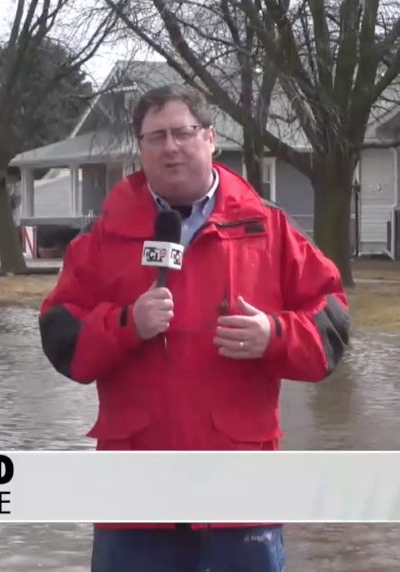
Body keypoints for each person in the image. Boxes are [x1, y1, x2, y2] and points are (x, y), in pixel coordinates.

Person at [38, 84, 350, 572]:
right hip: (134, 494)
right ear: (139, 150)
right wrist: (125, 324)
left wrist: (275, 335)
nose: (170, 147)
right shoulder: (104, 238)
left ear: (209, 139)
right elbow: (60, 336)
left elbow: (331, 322)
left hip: (240, 488)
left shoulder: (267, 229)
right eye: (155, 137)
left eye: (182, 133)